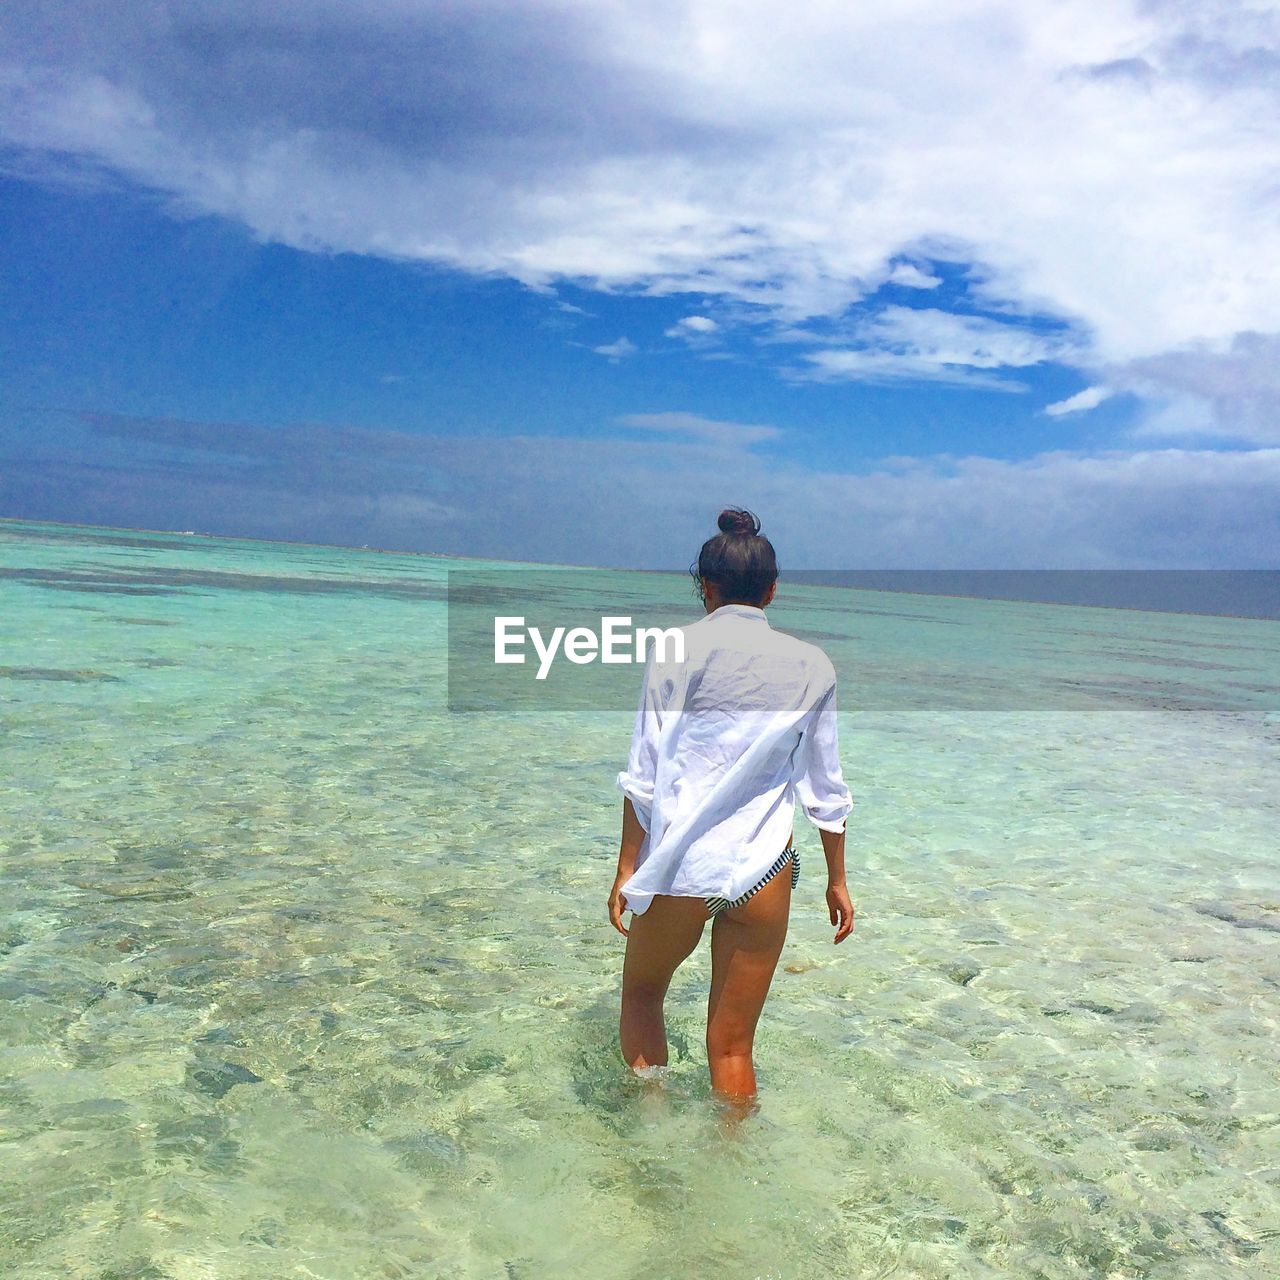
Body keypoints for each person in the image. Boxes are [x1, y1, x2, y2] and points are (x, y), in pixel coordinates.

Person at [608, 507, 855, 1105]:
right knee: (734, 1047)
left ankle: (649, 1141)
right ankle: (732, 1167)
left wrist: (625, 867)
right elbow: (825, 787)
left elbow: (646, 773)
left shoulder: (675, 649)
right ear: (772, 591)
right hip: (764, 871)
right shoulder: (813, 664)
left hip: (680, 867)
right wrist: (838, 881)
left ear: (705, 587)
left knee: (643, 997)